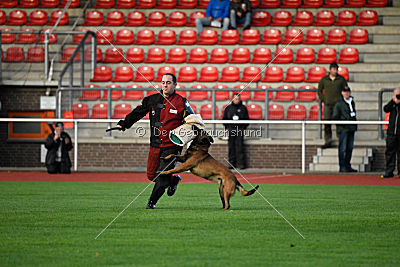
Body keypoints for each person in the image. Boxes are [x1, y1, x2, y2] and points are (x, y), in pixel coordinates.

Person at [116, 73, 195, 209]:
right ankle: (174, 180)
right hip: (155, 144)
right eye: (163, 82)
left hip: (172, 146)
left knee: (162, 175)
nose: (165, 85)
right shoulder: (151, 100)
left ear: (175, 85)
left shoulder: (182, 102)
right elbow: (138, 112)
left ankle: (151, 203)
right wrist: (124, 123)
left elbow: (193, 121)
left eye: (168, 83)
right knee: (151, 175)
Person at [317, 62, 348, 149]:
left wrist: (342, 101)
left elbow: (346, 90)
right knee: (327, 123)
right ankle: (328, 141)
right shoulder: (324, 80)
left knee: (339, 123)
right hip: (328, 105)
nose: (335, 71)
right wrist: (324, 99)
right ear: (330, 70)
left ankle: (341, 141)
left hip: (338, 105)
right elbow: (319, 90)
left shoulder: (341, 80)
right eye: (333, 69)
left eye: (336, 69)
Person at [332, 86, 357, 173]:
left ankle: (347, 165)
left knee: (349, 148)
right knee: (343, 148)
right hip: (343, 129)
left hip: (351, 127)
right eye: (345, 92)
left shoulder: (352, 102)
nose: (347, 93)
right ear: (342, 93)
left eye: (348, 92)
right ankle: (342, 166)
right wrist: (342, 123)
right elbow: (335, 116)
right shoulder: (339, 104)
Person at [222, 93, 249, 169]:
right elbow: (224, 119)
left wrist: (242, 128)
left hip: (239, 130)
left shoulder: (243, 108)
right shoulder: (228, 108)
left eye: (238, 99)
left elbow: (247, 120)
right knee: (231, 147)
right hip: (231, 130)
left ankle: (241, 164)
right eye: (235, 99)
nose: (236, 100)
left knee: (240, 147)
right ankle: (231, 164)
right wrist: (228, 127)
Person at [381, 87, 400, 178]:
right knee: (390, 153)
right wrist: (393, 101)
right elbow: (386, 109)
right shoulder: (392, 104)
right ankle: (389, 171)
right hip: (391, 133)